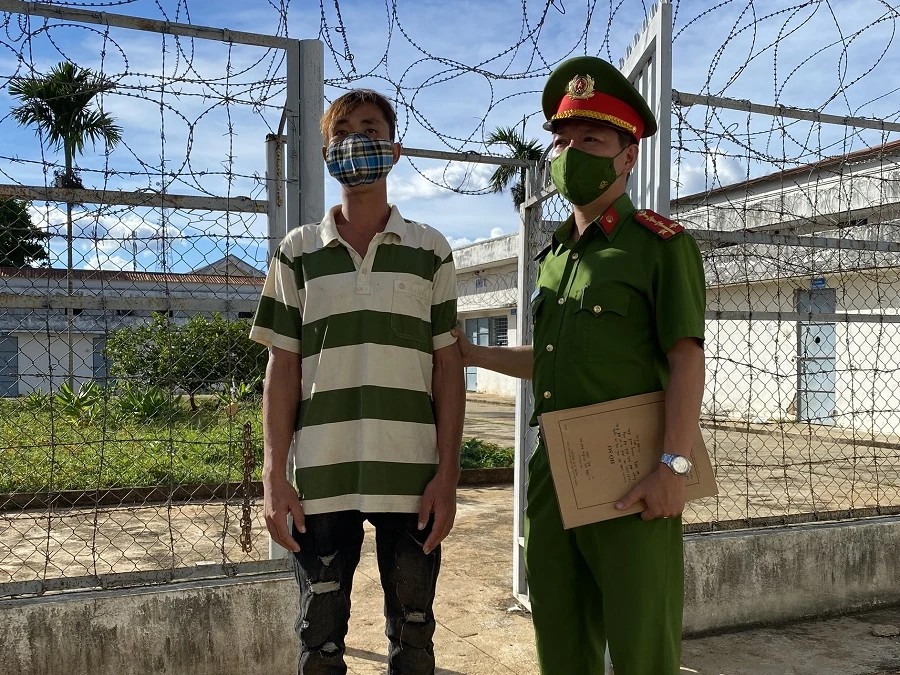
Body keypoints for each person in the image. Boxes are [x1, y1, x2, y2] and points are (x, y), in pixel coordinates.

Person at [451, 57, 706, 674]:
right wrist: (475, 354)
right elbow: (551, 360)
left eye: (590, 140)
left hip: (631, 468)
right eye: (562, 141)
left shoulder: (659, 247)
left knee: (642, 646)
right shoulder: (557, 256)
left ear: (628, 156)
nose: (570, 153)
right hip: (555, 465)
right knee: (560, 637)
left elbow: (686, 361)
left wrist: (674, 466)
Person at [250, 88, 465, 675]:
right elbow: (281, 369)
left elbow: (448, 369)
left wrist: (447, 476)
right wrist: (274, 476)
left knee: (415, 637)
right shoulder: (297, 253)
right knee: (317, 642)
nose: (356, 142)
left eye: (371, 130)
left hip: (412, 478)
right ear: (326, 153)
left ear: (394, 150)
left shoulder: (431, 251)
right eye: (342, 132)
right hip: (322, 480)